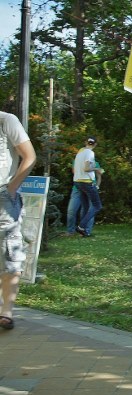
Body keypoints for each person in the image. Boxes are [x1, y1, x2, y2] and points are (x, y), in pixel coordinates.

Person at [0, 111, 37, 330]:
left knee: (9, 254)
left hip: (3, 199)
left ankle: (6, 311)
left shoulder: (6, 120)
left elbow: (29, 156)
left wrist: (11, 188)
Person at [73, 137, 103, 237]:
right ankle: (81, 227)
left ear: (86, 142)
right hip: (86, 182)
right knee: (97, 206)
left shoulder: (80, 151)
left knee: (85, 207)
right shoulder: (90, 153)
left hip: (77, 181)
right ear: (95, 144)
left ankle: (84, 231)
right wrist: (97, 169)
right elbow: (86, 168)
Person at [65, 159, 101, 236]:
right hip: (77, 189)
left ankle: (86, 231)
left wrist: (97, 186)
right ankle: (70, 231)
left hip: (90, 188)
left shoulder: (95, 163)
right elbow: (75, 172)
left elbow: (99, 176)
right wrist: (93, 169)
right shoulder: (76, 162)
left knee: (89, 210)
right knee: (71, 210)